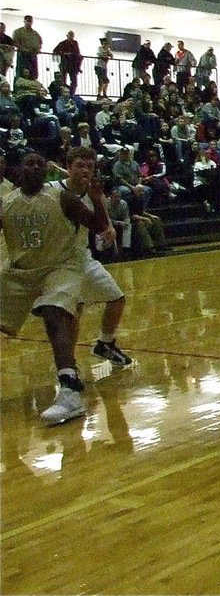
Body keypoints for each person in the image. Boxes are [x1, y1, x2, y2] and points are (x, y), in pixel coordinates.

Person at [2, 152, 110, 425]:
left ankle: (70, 389)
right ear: (19, 170)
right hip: (23, 271)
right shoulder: (7, 203)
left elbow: (97, 225)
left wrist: (97, 201)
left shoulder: (61, 198)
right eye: (30, 163)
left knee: (54, 313)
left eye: (41, 163)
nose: (36, 167)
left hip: (60, 266)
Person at [49, 147, 133, 367]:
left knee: (117, 299)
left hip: (82, 257)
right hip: (56, 261)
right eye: (80, 165)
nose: (85, 170)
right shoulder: (51, 190)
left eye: (89, 166)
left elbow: (105, 227)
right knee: (73, 312)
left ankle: (105, 343)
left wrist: (109, 231)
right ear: (68, 167)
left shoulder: (94, 193)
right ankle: (69, 364)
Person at [12, 15, 42, 82]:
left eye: (30, 21)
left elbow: (40, 42)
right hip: (23, 55)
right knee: (22, 71)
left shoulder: (35, 33)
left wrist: (38, 49)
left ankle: (32, 86)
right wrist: (24, 49)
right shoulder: (18, 31)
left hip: (33, 55)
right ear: (24, 21)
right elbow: (15, 42)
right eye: (28, 21)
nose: (29, 22)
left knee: (33, 73)